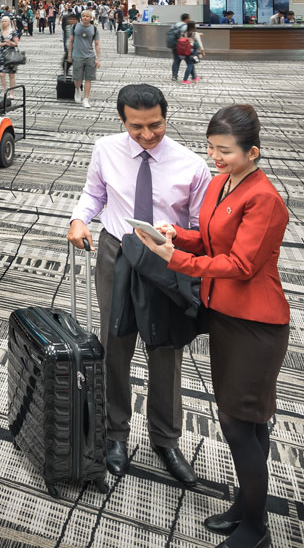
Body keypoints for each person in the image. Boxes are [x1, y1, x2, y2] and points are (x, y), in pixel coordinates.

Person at [134, 105, 288, 548]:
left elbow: (240, 264)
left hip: (256, 326)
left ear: (253, 152)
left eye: (224, 151)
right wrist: (174, 236)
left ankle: (256, 530)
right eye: (210, 148)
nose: (214, 158)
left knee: (241, 425)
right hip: (225, 317)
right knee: (247, 423)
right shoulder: (222, 183)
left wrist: (173, 258)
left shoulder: (265, 199)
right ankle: (246, 509)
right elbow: (207, 239)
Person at [67, 83, 210, 487]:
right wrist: (79, 219)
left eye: (156, 126)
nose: (147, 135)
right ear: (122, 120)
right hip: (117, 253)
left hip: (165, 259)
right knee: (115, 346)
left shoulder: (191, 165)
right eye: (137, 127)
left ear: (166, 117)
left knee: (165, 349)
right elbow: (93, 194)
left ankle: (165, 439)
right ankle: (115, 434)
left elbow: (200, 228)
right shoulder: (106, 149)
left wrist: (176, 239)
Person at [66, 9, 100, 109]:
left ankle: (86, 99)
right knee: (77, 77)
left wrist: (98, 59)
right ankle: (77, 89)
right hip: (77, 55)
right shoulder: (75, 27)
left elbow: (97, 44)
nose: (85, 18)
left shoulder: (94, 29)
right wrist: (69, 55)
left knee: (89, 78)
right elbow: (71, 41)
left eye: (87, 16)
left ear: (91, 18)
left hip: (90, 56)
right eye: (83, 16)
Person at [0, 16, 22, 93]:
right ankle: (4, 90)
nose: (4, 23)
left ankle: (12, 93)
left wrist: (9, 42)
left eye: (6, 21)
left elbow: (16, 44)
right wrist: (4, 43)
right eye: (3, 21)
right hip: (2, 55)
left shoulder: (13, 32)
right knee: (1, 74)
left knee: (11, 75)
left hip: (11, 55)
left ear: (9, 22)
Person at [169, 13, 192, 81]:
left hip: (174, 45)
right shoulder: (185, 26)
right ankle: (193, 76)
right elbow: (188, 36)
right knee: (189, 62)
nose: (189, 19)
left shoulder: (175, 25)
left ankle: (174, 75)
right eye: (189, 18)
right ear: (186, 19)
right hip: (182, 46)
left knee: (176, 60)